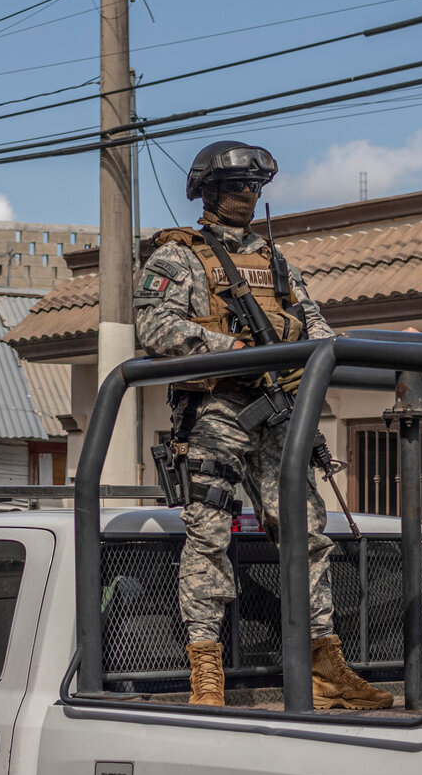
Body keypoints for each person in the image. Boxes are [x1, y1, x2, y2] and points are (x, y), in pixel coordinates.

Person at [137, 139, 391, 711]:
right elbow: (156, 329)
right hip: (220, 410)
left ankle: (325, 664)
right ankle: (206, 670)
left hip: (278, 411)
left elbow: (316, 326)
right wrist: (239, 348)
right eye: (236, 187)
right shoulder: (177, 258)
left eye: (254, 187)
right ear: (208, 192)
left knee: (307, 533)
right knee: (208, 536)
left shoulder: (276, 262)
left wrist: (321, 355)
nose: (248, 196)